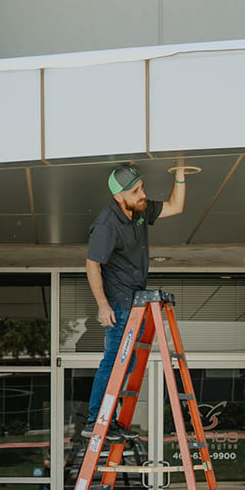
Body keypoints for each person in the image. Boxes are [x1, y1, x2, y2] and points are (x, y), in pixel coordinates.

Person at [82, 162, 188, 437]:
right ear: (119, 197)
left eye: (142, 187)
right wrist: (102, 305)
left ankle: (109, 420)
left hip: (136, 299)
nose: (142, 194)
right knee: (115, 361)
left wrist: (179, 176)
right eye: (135, 191)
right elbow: (92, 264)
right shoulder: (106, 225)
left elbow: (176, 207)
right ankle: (96, 421)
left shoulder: (139, 210)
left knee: (125, 363)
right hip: (118, 303)